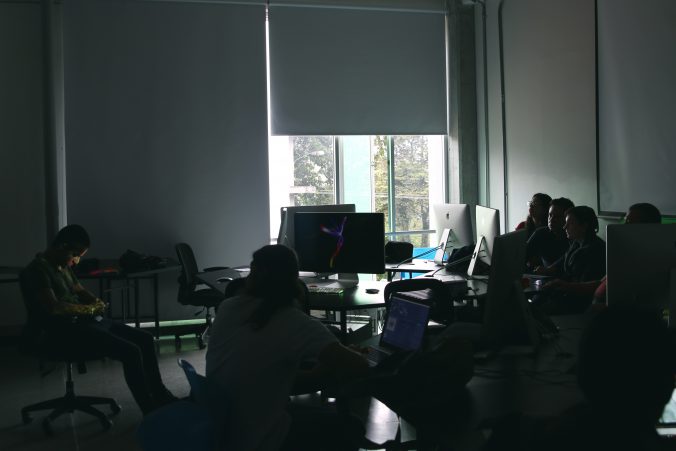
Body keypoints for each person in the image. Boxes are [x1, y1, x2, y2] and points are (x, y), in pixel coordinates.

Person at [206, 244, 369, 451]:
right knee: (352, 426)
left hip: (222, 427)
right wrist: (347, 357)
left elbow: (264, 377)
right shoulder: (294, 322)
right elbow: (359, 367)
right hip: (261, 436)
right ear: (294, 280)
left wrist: (318, 373)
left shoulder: (227, 308)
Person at [21, 225, 176, 415]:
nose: (76, 260)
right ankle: (150, 411)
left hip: (86, 322)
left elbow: (79, 290)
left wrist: (96, 302)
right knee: (131, 352)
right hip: (63, 330)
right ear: (61, 246)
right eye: (75, 254)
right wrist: (87, 309)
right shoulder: (38, 270)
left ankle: (161, 395)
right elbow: (54, 307)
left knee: (145, 339)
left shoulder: (63, 266)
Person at [483, 307, 676, 451]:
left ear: (581, 375)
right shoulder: (646, 442)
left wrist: (513, 426)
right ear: (666, 390)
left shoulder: (566, 430)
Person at [534, 206, 605, 314]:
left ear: (584, 226)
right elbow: (562, 264)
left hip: (577, 304)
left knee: (536, 310)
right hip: (566, 295)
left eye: (570, 224)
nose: (564, 227)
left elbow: (586, 288)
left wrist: (563, 285)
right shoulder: (576, 243)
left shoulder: (595, 250)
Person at [592, 202, 663, 304]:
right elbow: (601, 282)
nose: (624, 225)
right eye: (626, 221)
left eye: (629, 222)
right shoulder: (626, 251)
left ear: (646, 226)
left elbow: (641, 300)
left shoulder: (651, 259)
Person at [525, 197, 575, 271]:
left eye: (557, 217)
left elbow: (567, 259)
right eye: (550, 215)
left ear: (568, 218)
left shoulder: (575, 235)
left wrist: (548, 270)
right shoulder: (540, 233)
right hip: (545, 276)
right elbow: (523, 255)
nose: (551, 220)